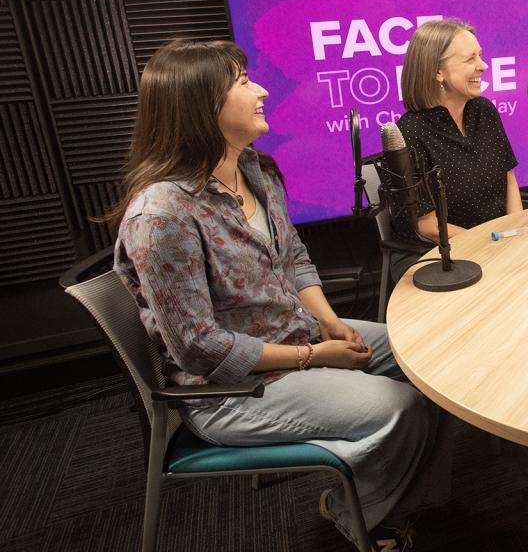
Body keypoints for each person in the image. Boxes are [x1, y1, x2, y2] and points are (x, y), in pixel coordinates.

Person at [109, 39, 446, 551]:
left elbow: (294, 260)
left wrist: (330, 322)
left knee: (434, 362)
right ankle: (365, 517)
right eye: (243, 83)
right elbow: (201, 347)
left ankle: (399, 499)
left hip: (297, 338)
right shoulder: (162, 216)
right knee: (404, 407)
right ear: (202, 107)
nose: (261, 89)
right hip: (228, 391)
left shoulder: (256, 172)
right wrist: (315, 356)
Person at [388, 19, 521, 281]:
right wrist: (492, 243)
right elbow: (426, 226)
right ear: (438, 72)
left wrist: (515, 232)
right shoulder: (410, 132)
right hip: (436, 257)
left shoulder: (485, 111)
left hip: (496, 244)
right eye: (470, 59)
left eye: (480, 56)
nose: (482, 66)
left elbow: (509, 180)